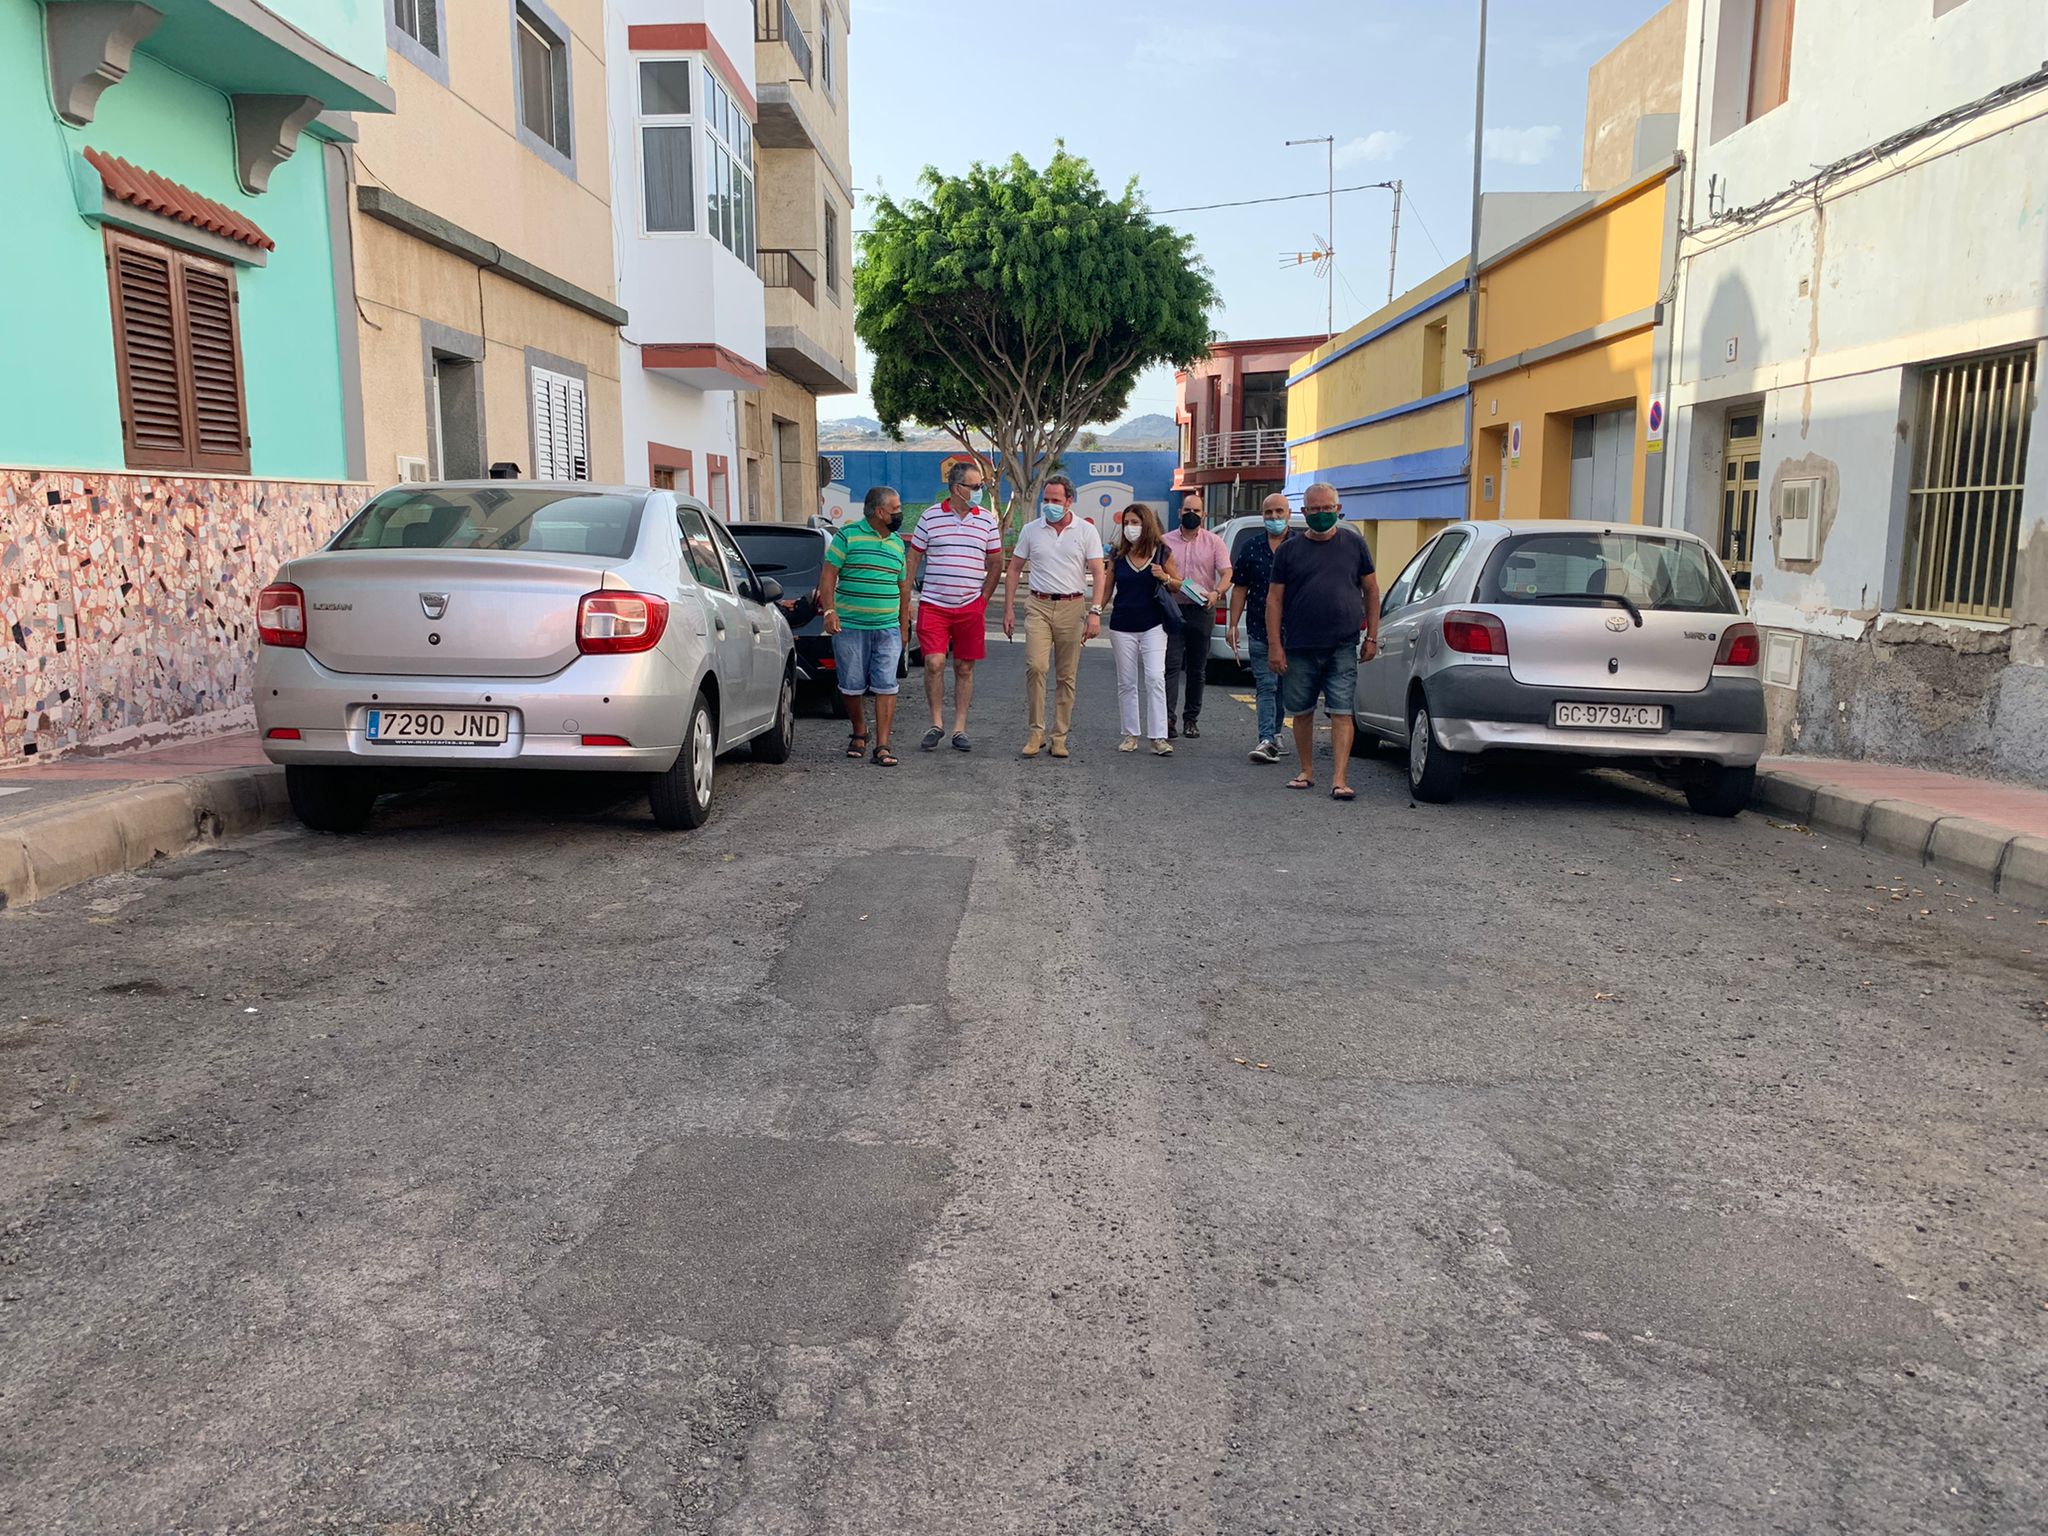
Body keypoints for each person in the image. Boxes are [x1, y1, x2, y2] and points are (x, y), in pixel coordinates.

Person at [1265, 483, 1380, 801]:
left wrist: (1372, 635)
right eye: (1314, 510)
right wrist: (1275, 645)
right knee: (1301, 711)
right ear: (1303, 513)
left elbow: (1371, 589)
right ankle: (1306, 771)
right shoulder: (1288, 551)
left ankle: (1340, 779)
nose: (1321, 514)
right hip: (1300, 645)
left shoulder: (1355, 544)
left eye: (1327, 509)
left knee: (1342, 711)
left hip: (1343, 644)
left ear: (1338, 510)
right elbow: (1274, 600)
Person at [1001, 473, 1106, 759]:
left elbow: (1099, 572)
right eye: (1045, 500)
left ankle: (1059, 737)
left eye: (1055, 500)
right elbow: (1014, 569)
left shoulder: (1086, 531)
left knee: (1066, 676)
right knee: (1036, 666)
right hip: (1038, 605)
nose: (1049, 505)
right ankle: (1036, 732)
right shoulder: (1031, 530)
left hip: (1072, 607)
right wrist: (1008, 608)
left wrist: (1095, 612)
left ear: (1069, 501)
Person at [909, 460, 1004, 752]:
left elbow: (996, 563)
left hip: (969, 607)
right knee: (934, 662)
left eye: (981, 487)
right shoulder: (930, 517)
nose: (979, 491)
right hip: (934, 605)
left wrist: (982, 600)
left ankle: (959, 729)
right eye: (974, 487)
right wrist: (906, 599)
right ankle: (936, 723)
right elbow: (913, 558)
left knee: (964, 667)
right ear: (955, 488)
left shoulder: (987, 520)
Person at [820, 485, 913, 767]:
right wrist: (830, 611)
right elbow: (828, 576)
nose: (900, 514)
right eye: (895, 509)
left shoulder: (898, 544)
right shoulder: (848, 537)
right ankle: (860, 731)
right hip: (850, 627)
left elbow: (903, 588)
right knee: (851, 685)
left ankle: (883, 745)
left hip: (887, 629)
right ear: (879, 511)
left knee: (887, 685)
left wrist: (904, 625)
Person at [1101, 503, 1183, 755]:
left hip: (1154, 625)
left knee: (1155, 677)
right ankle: (1130, 734)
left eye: (1135, 522)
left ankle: (1159, 736)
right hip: (1122, 625)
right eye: (1126, 523)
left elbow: (1178, 584)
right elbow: (1107, 586)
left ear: (1145, 524)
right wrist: (1094, 612)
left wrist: (1164, 577)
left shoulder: (1162, 552)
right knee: (1126, 682)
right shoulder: (1116, 554)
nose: (1130, 528)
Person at [1227, 493, 1295, 763]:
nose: (1274, 517)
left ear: (1288, 513)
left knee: (1285, 688)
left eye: (1279, 512)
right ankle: (1266, 738)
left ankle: (1276, 733)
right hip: (1259, 628)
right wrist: (1233, 624)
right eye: (1269, 513)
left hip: (1295, 632)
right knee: (1266, 685)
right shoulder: (1251, 547)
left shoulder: (1300, 547)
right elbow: (1240, 587)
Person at [1159, 492, 1230, 739]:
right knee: (1170, 666)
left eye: (1196, 511)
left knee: (1197, 669)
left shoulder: (1214, 542)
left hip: (1202, 610)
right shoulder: (1164, 541)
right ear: (1180, 512)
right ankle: (1167, 720)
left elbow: (1227, 572)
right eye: (1187, 510)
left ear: (1204, 514)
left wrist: (1217, 592)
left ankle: (1191, 719)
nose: (1191, 514)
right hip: (1172, 609)